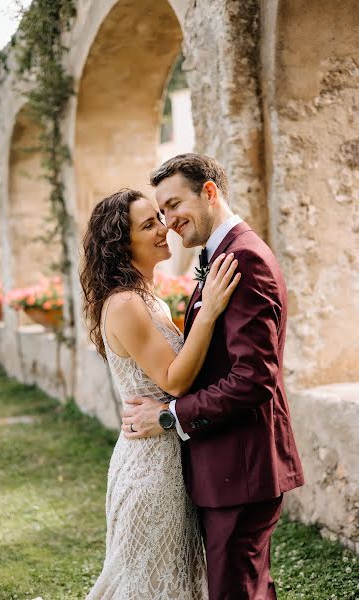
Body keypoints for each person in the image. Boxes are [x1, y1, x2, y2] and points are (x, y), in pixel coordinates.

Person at [122, 154, 305, 600]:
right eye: (160, 212)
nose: (168, 221)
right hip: (226, 465)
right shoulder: (221, 255)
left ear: (209, 192)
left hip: (241, 465)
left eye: (173, 204)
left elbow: (253, 377)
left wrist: (169, 416)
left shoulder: (243, 258)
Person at [80, 187, 240, 600]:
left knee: (175, 583)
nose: (163, 227)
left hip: (171, 457)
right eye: (148, 223)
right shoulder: (125, 304)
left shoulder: (150, 301)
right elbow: (175, 379)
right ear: (121, 242)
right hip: (150, 470)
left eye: (160, 217)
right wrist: (209, 311)